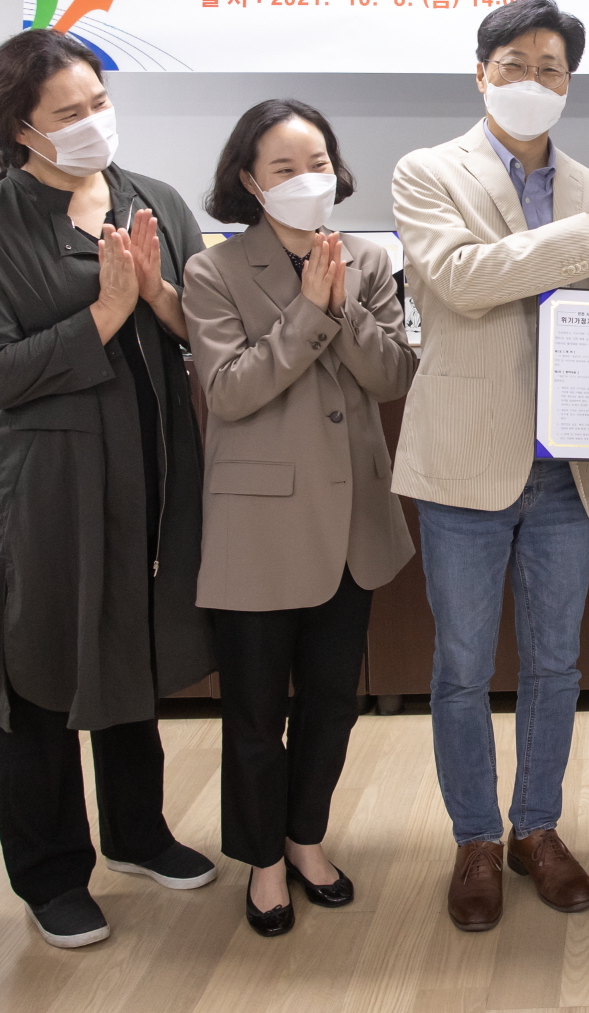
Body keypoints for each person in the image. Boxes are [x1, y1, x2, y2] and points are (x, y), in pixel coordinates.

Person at [0, 30, 216, 950]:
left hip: (152, 462)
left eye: (99, 102)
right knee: (44, 662)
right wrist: (105, 312)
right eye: (69, 113)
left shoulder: (154, 200)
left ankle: (137, 832)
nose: (93, 122)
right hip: (46, 483)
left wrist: (159, 298)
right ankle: (51, 870)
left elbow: (205, 329)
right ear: (20, 129)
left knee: (129, 638)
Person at [390, 0, 589, 932]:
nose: (532, 81)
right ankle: (474, 839)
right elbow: (464, 282)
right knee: (462, 666)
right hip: (465, 458)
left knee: (556, 662)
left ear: (569, 84)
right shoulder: (428, 171)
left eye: (551, 68)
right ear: (480, 73)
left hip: (566, 468)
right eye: (514, 64)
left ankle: (536, 827)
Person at [182, 100, 417, 936]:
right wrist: (310, 312)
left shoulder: (369, 258)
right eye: (283, 168)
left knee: (331, 703)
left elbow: (393, 377)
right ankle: (264, 861)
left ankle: (306, 838)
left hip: (351, 521)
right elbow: (229, 390)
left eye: (317, 162)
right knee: (254, 713)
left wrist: (340, 305)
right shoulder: (212, 271)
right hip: (258, 526)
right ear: (249, 181)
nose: (306, 179)